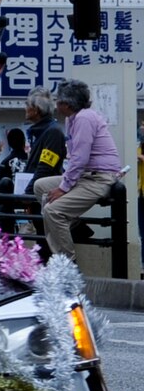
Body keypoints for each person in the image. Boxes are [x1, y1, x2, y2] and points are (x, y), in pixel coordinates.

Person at [35, 79, 123, 261]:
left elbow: (80, 158)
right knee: (40, 186)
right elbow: (77, 158)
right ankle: (77, 228)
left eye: (58, 100)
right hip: (86, 175)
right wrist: (66, 182)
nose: (56, 103)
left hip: (99, 178)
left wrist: (63, 188)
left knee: (53, 211)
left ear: (67, 104)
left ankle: (66, 264)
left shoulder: (84, 118)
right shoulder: (72, 119)